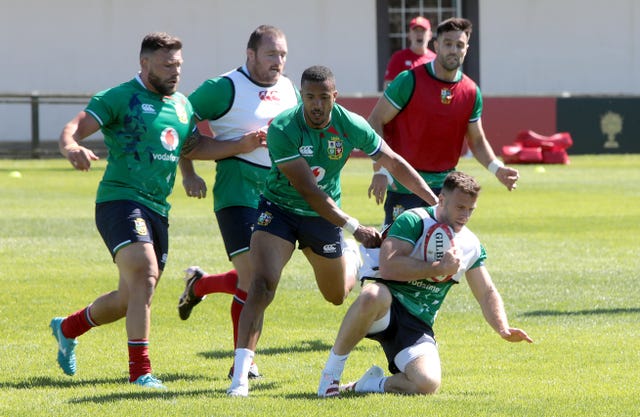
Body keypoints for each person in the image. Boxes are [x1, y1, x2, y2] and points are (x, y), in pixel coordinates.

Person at [50, 32, 261, 390]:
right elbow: (74, 128)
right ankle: (140, 373)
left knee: (129, 296)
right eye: (167, 65)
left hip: (157, 209)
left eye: (178, 65)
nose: (175, 72)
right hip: (120, 200)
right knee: (145, 274)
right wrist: (71, 147)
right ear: (144, 63)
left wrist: (240, 144)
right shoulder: (119, 97)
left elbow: (194, 145)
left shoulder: (181, 105)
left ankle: (67, 328)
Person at [227, 65, 439, 397]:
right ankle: (239, 377)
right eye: (309, 97)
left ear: (334, 97)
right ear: (301, 96)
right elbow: (309, 190)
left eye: (323, 97)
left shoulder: (349, 124)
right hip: (280, 210)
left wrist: (435, 204)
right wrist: (355, 227)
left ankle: (352, 260)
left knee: (336, 296)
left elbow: (393, 162)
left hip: (324, 219)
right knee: (262, 284)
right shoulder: (284, 127)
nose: (316, 104)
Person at [318, 171, 533, 397]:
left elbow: (486, 291)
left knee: (426, 384)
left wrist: (502, 328)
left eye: (471, 210)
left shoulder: (470, 244)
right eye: (460, 208)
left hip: (417, 322)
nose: (465, 216)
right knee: (373, 296)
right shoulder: (413, 220)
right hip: (384, 306)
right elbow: (389, 267)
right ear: (441, 200)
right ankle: (330, 376)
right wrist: (438, 268)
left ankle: (366, 385)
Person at [176, 25, 300, 379]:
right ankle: (242, 362)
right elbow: (180, 120)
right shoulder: (224, 87)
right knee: (254, 276)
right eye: (271, 54)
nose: (279, 62)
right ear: (250, 55)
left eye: (283, 55)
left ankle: (199, 285)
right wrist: (189, 173)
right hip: (236, 191)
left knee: (262, 277)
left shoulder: (289, 88)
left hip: (277, 194)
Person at [369, 17, 520, 229]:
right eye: (448, 44)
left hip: (445, 188)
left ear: (466, 49)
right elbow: (375, 120)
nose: (453, 50)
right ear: (436, 45)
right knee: (396, 253)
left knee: (443, 253)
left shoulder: (470, 91)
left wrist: (497, 168)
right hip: (405, 184)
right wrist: (380, 170)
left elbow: (476, 139)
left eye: (459, 45)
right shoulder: (409, 80)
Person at [383, 16, 436, 89]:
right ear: (409, 35)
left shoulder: (435, 59)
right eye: (415, 30)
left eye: (423, 31)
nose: (419, 34)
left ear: (430, 35)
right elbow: (388, 85)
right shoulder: (398, 58)